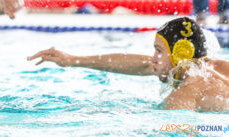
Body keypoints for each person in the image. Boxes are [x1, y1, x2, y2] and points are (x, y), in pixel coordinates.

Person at [28, 17, 229, 111]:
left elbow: (177, 129)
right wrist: (72, 60)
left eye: (159, 50)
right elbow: (143, 64)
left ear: (181, 53)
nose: (153, 58)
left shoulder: (187, 90)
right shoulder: (212, 66)